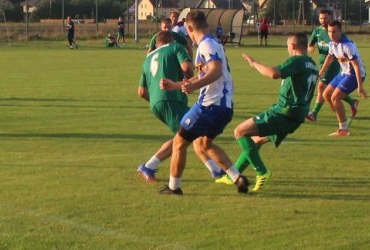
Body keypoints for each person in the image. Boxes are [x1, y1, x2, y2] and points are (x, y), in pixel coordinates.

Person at [158, 11, 248, 195]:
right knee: (204, 144)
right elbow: (205, 74)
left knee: (179, 143)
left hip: (209, 105)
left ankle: (174, 187)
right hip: (225, 107)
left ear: (189, 28)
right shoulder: (212, 43)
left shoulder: (206, 44)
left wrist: (194, 86)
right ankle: (237, 178)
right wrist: (176, 85)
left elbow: (215, 71)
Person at [136, 31, 226, 183]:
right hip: (172, 99)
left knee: (190, 134)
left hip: (156, 103)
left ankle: (215, 170)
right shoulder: (175, 46)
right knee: (185, 136)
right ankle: (149, 165)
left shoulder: (147, 59)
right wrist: (191, 77)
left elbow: (141, 92)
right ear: (170, 40)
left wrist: (157, 100)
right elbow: (186, 66)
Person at [234, 33, 318, 192]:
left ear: (292, 46)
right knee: (256, 140)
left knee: (240, 131)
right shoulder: (312, 64)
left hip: (285, 111)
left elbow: (273, 73)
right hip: (298, 114)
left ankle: (262, 172)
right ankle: (232, 174)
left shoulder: (298, 60)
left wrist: (254, 63)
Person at [306, 10, 359, 122]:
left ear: (331, 18)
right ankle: (351, 102)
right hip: (322, 63)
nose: (323, 20)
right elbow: (310, 44)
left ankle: (314, 113)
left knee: (321, 87)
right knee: (332, 90)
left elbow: (344, 48)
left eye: (325, 18)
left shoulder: (336, 33)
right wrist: (310, 48)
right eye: (321, 18)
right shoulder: (317, 32)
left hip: (333, 64)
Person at [319, 20, 367, 136]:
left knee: (335, 97)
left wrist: (360, 87)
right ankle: (345, 119)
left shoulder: (347, 45)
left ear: (340, 32)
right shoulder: (332, 43)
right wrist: (321, 72)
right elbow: (329, 58)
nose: (331, 34)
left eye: (334, 31)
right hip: (344, 73)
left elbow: (356, 66)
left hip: (355, 75)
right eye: (330, 32)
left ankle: (343, 129)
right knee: (326, 95)